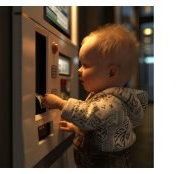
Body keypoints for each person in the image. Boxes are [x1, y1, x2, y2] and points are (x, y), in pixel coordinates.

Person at [42, 24, 148, 168]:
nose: (79, 70)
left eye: (85, 65)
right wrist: (75, 128)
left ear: (111, 73)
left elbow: (88, 116)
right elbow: (97, 126)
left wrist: (60, 103)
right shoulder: (103, 98)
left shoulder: (111, 103)